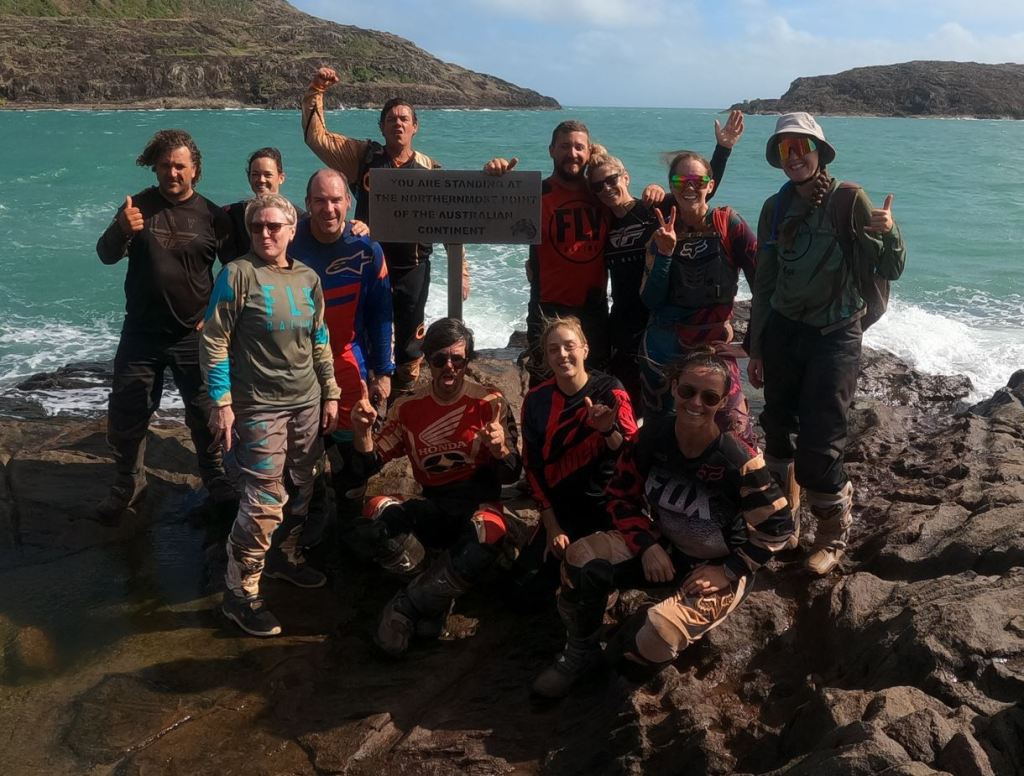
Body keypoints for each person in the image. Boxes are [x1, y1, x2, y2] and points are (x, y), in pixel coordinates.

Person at [531, 349, 793, 698]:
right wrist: (647, 545)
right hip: (664, 544)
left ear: (721, 402)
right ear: (673, 388)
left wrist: (729, 570)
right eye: (687, 391)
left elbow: (778, 527)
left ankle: (635, 650)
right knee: (579, 559)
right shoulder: (651, 438)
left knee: (653, 638)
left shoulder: (738, 461)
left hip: (716, 566)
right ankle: (580, 652)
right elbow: (619, 495)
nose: (695, 403)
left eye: (709, 397)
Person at [747, 112, 906, 575]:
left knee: (819, 447)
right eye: (785, 149)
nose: (794, 156)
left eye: (803, 146)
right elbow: (765, 282)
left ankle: (833, 533)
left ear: (820, 152)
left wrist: (890, 232)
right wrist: (756, 346)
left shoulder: (848, 200)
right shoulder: (774, 207)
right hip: (783, 332)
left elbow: (891, 269)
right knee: (778, 434)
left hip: (835, 335)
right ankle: (786, 523)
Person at [201, 193, 341, 637]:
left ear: (292, 230)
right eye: (257, 227)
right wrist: (221, 403)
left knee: (304, 484)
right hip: (258, 407)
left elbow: (319, 339)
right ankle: (240, 593)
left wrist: (331, 393)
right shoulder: (237, 274)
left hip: (307, 403)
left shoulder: (307, 278)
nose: (265, 233)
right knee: (263, 502)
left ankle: (283, 556)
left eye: (274, 226)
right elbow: (214, 340)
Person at [347, 318, 522, 656]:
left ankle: (407, 607)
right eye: (440, 359)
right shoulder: (408, 408)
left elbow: (512, 473)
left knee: (489, 532)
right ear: (428, 361)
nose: (449, 367)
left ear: (468, 361)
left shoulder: (490, 402)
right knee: (373, 517)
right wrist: (362, 432)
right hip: (434, 507)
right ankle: (436, 596)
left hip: (477, 508)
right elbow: (368, 465)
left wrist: (501, 449)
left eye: (458, 359)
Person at [301, 67, 469, 395]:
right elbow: (317, 138)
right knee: (363, 333)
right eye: (391, 119)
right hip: (366, 265)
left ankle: (402, 400)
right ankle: (361, 397)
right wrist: (316, 92)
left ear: (415, 126)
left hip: (412, 269)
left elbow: (449, 222)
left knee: (409, 345)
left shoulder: (430, 169)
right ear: (381, 127)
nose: (398, 123)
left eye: (404, 118)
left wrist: (461, 270)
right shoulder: (363, 156)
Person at [96, 128, 235, 522]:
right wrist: (120, 229)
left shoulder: (213, 216)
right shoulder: (136, 207)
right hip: (141, 333)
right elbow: (105, 254)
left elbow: (237, 271)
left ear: (195, 170)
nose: (172, 173)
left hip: (193, 334)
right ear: (155, 168)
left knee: (205, 412)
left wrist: (217, 315)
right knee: (128, 410)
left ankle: (215, 477)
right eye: (165, 166)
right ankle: (129, 481)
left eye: (179, 166)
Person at [587, 111, 744, 413]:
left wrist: (723, 149)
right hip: (622, 324)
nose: (606, 188)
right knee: (628, 407)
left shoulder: (654, 208)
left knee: (672, 404)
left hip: (659, 323)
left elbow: (695, 191)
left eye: (611, 180)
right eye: (598, 186)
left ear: (626, 177)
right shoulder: (602, 225)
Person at [289, 168, 395, 528]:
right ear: (307, 204)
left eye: (336, 200)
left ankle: (350, 519)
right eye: (320, 200)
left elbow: (382, 313)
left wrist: (384, 371)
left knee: (353, 451)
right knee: (303, 452)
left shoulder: (366, 248)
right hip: (297, 368)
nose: (329, 208)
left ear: (349, 202)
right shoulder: (288, 244)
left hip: (348, 363)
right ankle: (310, 518)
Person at [508, 316, 638, 609]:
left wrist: (607, 430)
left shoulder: (611, 391)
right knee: (522, 591)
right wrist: (552, 526)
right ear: (546, 357)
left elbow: (631, 457)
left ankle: (614, 581)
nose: (563, 355)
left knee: (586, 588)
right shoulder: (536, 400)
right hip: (562, 511)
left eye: (569, 346)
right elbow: (532, 467)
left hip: (607, 509)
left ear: (585, 349)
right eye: (554, 349)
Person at [639, 150, 758, 448]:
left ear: (710, 185)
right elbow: (651, 299)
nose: (689, 187)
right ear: (671, 185)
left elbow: (765, 284)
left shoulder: (728, 224)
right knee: (661, 434)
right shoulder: (661, 231)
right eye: (681, 180)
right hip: (662, 348)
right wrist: (665, 254)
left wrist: (751, 345)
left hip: (712, 346)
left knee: (732, 428)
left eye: (698, 180)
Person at [484, 121, 609, 385]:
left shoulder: (602, 193)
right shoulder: (535, 193)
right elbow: (485, 214)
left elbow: (631, 207)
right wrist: (496, 177)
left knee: (594, 388)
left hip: (594, 310)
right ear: (551, 150)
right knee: (544, 389)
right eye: (564, 146)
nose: (572, 153)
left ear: (589, 152)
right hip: (548, 308)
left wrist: (655, 192)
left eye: (579, 147)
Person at [222, 147, 304, 261]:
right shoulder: (232, 215)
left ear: (281, 178)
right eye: (255, 174)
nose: (261, 180)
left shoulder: (299, 219)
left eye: (268, 174)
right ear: (249, 178)